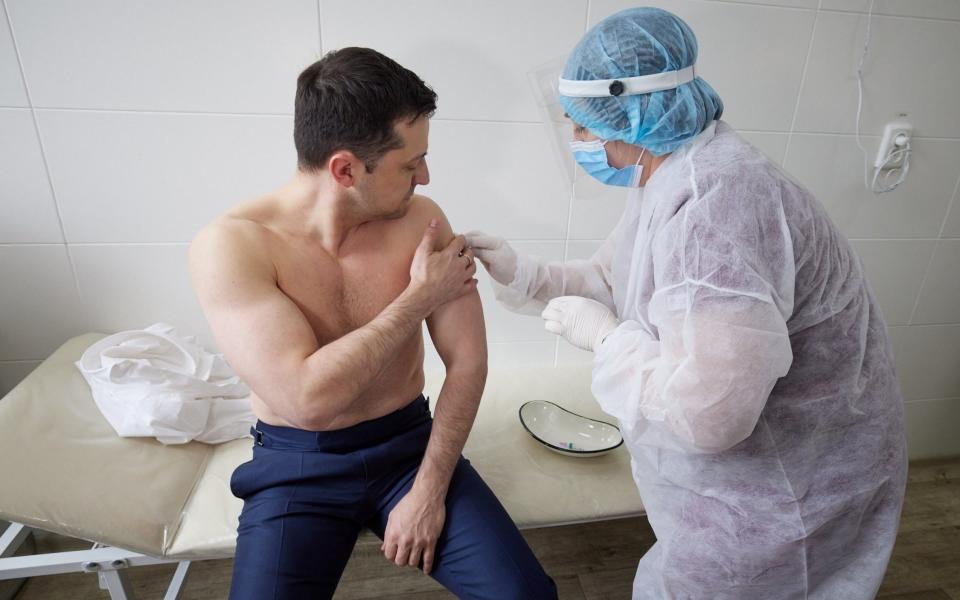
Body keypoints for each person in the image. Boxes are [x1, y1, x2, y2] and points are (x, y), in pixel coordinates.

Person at [467, 7, 907, 599]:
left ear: (634, 111)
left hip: (786, 493)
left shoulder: (718, 206)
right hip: (758, 482)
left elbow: (712, 415)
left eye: (583, 125)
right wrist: (523, 274)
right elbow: (616, 276)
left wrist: (607, 341)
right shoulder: (677, 172)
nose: (577, 141)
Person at [190, 47, 557, 600]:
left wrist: (430, 490)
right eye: (410, 164)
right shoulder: (234, 245)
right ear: (345, 168)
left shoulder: (423, 223)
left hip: (408, 448)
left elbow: (469, 360)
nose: (427, 177)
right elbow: (308, 400)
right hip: (298, 462)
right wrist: (417, 298)